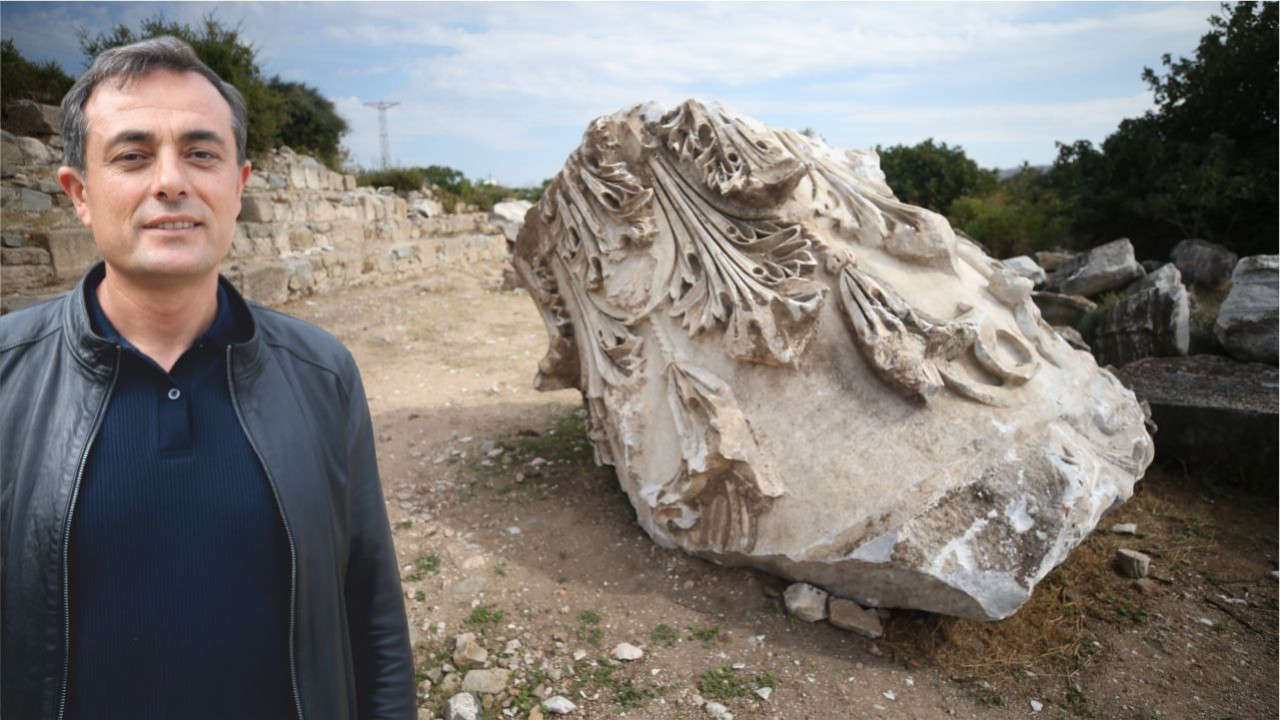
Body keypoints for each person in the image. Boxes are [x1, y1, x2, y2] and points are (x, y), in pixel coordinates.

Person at [0, 36, 415, 719]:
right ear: (79, 193)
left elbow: (370, 607)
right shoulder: (10, 374)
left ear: (238, 184)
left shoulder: (322, 373)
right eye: (132, 156)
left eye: (201, 153)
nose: (171, 182)